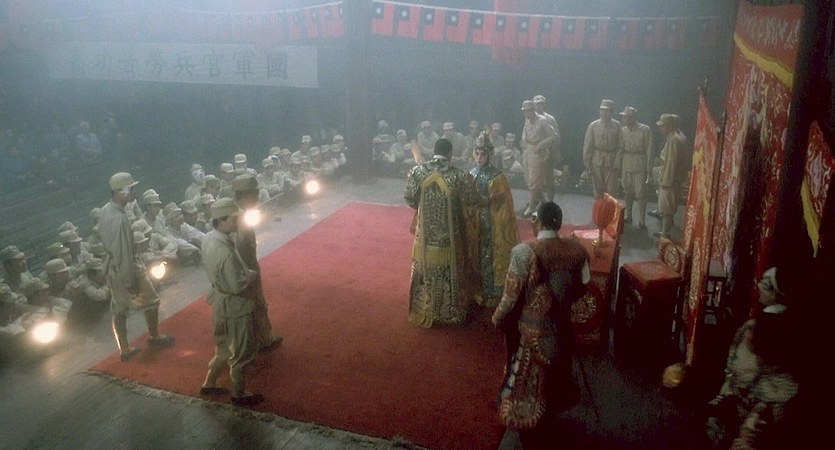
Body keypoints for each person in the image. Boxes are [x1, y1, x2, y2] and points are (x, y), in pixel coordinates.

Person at [491, 202, 590, 449]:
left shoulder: (524, 252)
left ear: (539, 222)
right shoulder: (577, 251)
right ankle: (552, 421)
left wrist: (497, 317)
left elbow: (510, 297)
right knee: (557, 380)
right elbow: (584, 286)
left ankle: (533, 433)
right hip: (562, 330)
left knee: (528, 386)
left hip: (532, 333)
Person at [705, 267, 799, 449]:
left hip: (761, 405)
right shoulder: (760, 325)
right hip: (752, 398)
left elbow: (745, 371)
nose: (759, 287)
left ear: (776, 294)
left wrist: (738, 396)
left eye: (765, 284)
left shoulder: (762, 329)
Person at [99, 172, 174, 362]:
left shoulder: (106, 210)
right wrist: (129, 280)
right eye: (131, 189)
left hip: (113, 267)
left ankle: (124, 349)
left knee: (119, 309)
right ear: (120, 192)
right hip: (126, 267)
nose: (134, 192)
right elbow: (123, 252)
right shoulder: (119, 218)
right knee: (152, 301)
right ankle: (154, 336)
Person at [404, 138, 478, 327]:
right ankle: (450, 312)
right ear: (450, 154)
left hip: (425, 237)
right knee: (449, 272)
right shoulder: (459, 176)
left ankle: (424, 308)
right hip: (449, 238)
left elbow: (410, 199)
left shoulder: (417, 172)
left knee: (424, 269)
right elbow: (471, 200)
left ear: (434, 152)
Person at [199, 197, 263, 406]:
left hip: (219, 302)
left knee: (223, 349)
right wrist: (250, 277)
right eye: (233, 219)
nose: (237, 222)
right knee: (241, 353)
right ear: (222, 220)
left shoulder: (208, 238)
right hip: (235, 307)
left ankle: (209, 382)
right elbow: (236, 286)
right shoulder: (225, 250)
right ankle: (238, 393)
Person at [469, 133, 520, 307]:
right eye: (477, 153)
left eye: (483, 154)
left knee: (489, 256)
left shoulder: (497, 177)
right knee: (475, 254)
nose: (479, 158)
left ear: (489, 155)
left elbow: (503, 203)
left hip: (491, 223)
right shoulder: (471, 173)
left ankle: (491, 291)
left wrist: (486, 201)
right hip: (474, 222)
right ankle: (475, 289)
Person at [232, 174, 282, 351]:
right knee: (255, 303)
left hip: (245, 266)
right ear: (246, 195)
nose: (258, 197)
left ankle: (257, 338)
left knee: (252, 304)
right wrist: (246, 271)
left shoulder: (236, 213)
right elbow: (237, 248)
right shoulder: (238, 217)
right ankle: (262, 339)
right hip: (245, 269)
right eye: (255, 193)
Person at [617, 106, 654, 229]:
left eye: (627, 117)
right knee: (627, 191)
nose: (625, 120)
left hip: (639, 163)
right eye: (624, 117)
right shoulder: (623, 131)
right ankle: (629, 215)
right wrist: (618, 165)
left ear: (633, 118)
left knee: (641, 193)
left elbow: (650, 150)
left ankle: (642, 220)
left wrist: (649, 169)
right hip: (626, 162)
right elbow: (620, 149)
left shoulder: (645, 130)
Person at [521, 100, 558, 217]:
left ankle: (532, 206)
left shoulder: (542, 120)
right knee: (529, 180)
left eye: (528, 111)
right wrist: (524, 141)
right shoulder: (527, 120)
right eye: (525, 111)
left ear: (533, 110)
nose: (526, 114)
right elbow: (524, 132)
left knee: (534, 181)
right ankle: (544, 203)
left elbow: (553, 136)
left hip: (538, 153)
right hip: (528, 151)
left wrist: (541, 145)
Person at [654, 114, 689, 238]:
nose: (661, 129)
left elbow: (671, 163)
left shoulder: (674, 139)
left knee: (666, 208)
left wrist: (665, 181)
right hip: (675, 178)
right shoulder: (678, 137)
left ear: (670, 126)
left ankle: (665, 234)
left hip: (670, 180)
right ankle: (665, 231)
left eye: (663, 126)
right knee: (668, 207)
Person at [583, 99, 623, 199]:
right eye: (602, 110)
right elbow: (588, 145)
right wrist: (587, 163)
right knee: (598, 191)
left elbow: (620, 146)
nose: (604, 113)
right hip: (597, 160)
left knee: (611, 191)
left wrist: (617, 162)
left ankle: (609, 209)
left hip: (611, 161)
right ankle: (599, 209)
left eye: (607, 111)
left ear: (612, 112)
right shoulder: (593, 126)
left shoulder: (617, 126)